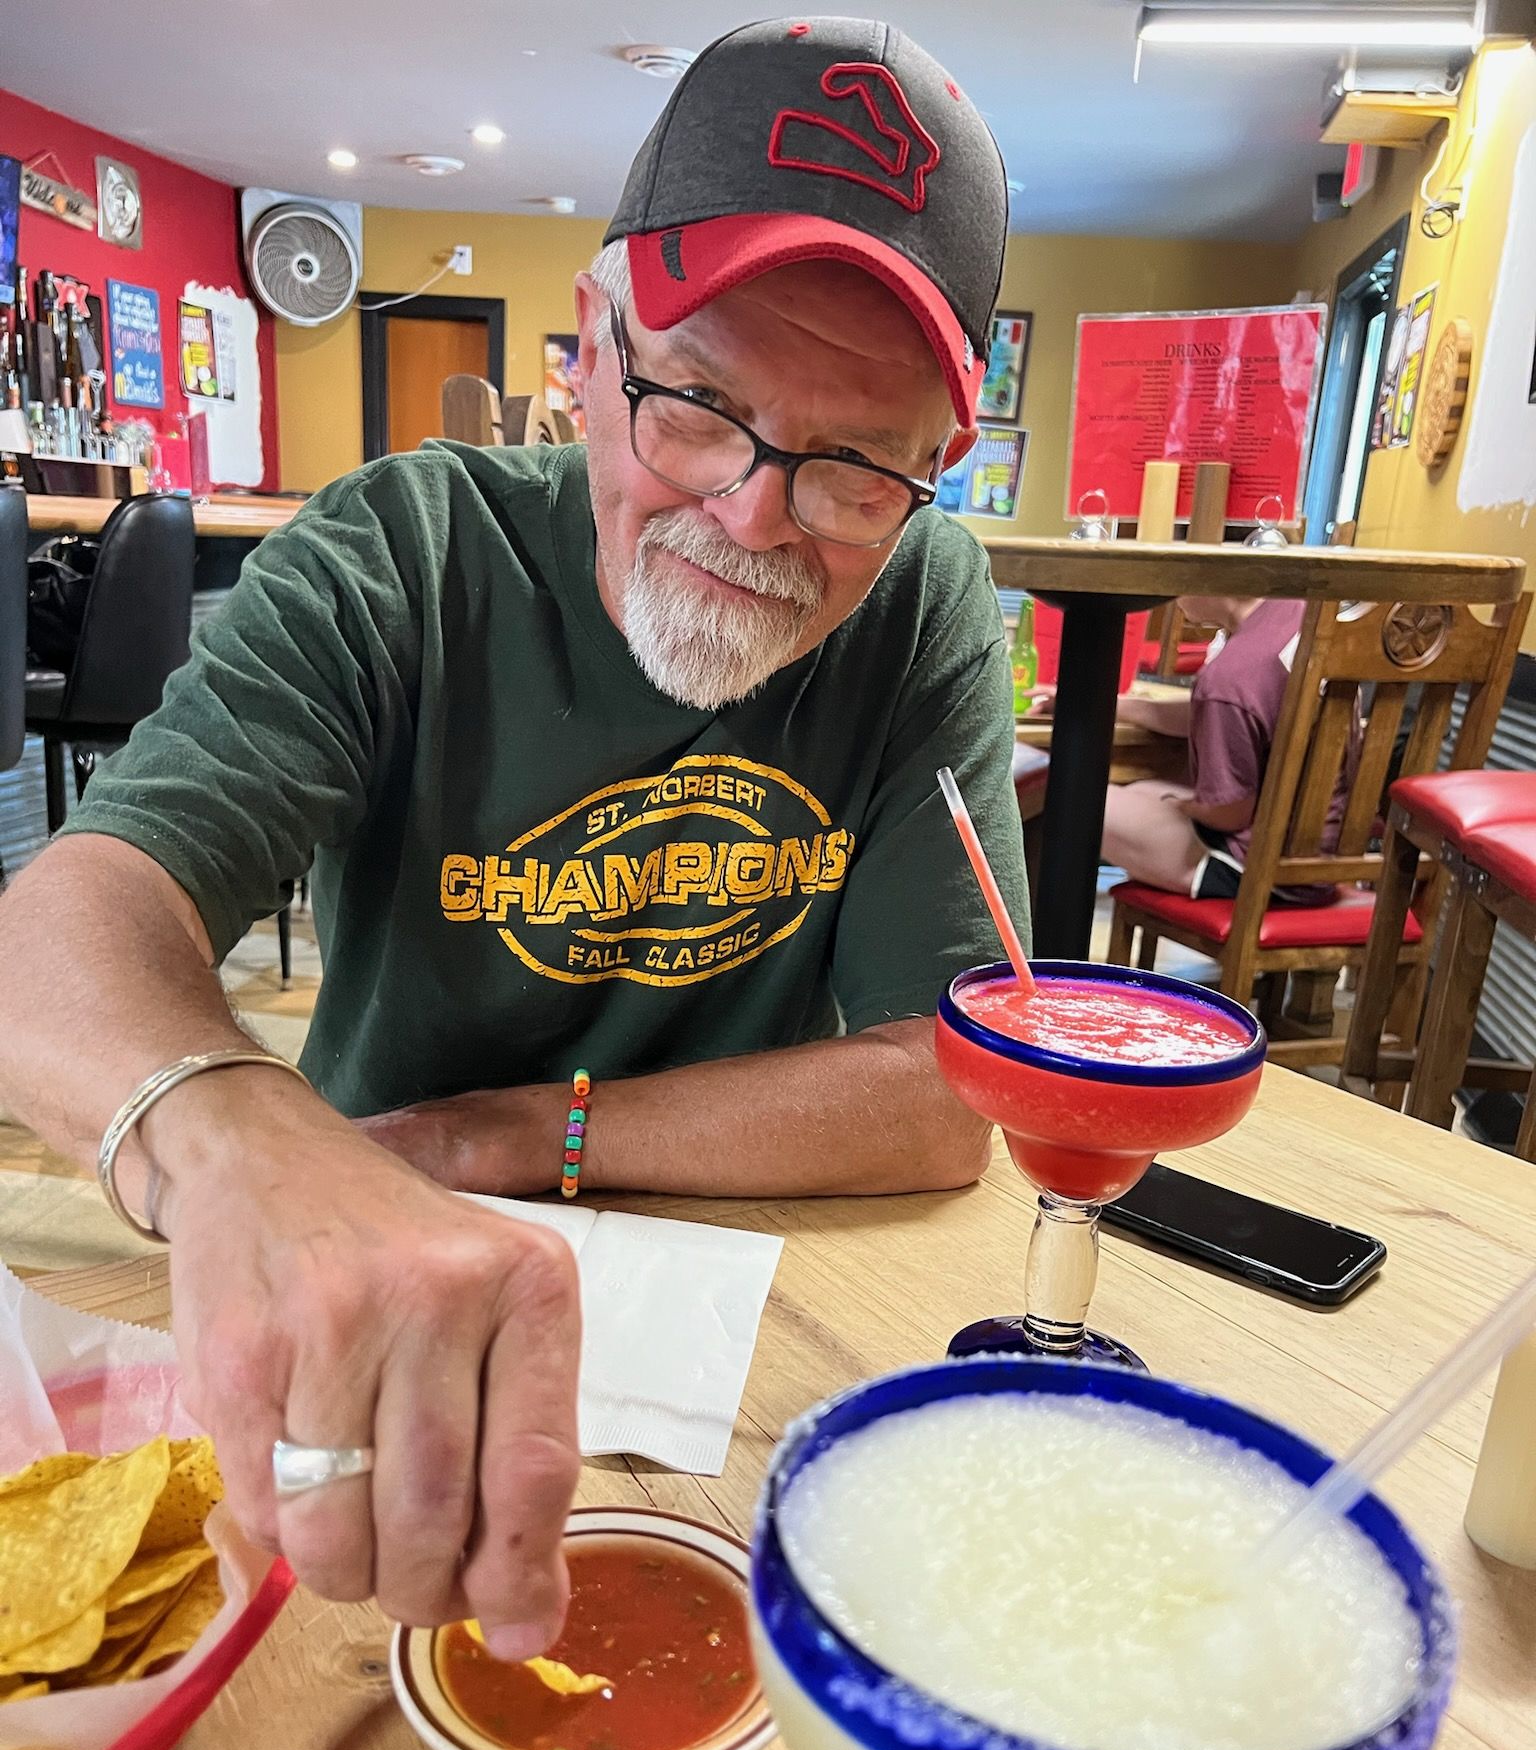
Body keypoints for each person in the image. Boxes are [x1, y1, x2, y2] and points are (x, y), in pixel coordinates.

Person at [0, 19, 1025, 1653]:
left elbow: (944, 1091)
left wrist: (505, 1134)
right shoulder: (401, 551)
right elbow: (56, 936)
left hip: (744, 1337)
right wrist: (226, 1131)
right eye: (696, 404)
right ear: (590, 341)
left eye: (849, 466)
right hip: (352, 1310)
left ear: (936, 468)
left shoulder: (925, 606)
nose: (752, 514)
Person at [1091, 595, 1344, 904]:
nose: (1173, 598)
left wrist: (1185, 806)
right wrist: (1110, 706)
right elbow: (1220, 712)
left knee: (1076, 797)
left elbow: (1230, 814)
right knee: (1142, 790)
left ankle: (1040, 942)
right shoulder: (1295, 613)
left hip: (1259, 873)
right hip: (1322, 856)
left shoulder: (1229, 677)